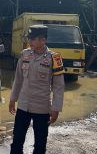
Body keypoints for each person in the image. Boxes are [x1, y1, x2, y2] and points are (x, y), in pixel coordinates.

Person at [9, 25, 65, 154]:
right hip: (23, 106)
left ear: (43, 40)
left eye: (33, 39)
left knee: (40, 144)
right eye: (30, 38)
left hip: (42, 108)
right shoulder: (25, 54)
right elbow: (18, 79)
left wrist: (56, 108)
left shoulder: (54, 58)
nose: (30, 42)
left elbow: (58, 86)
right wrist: (12, 99)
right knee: (17, 141)